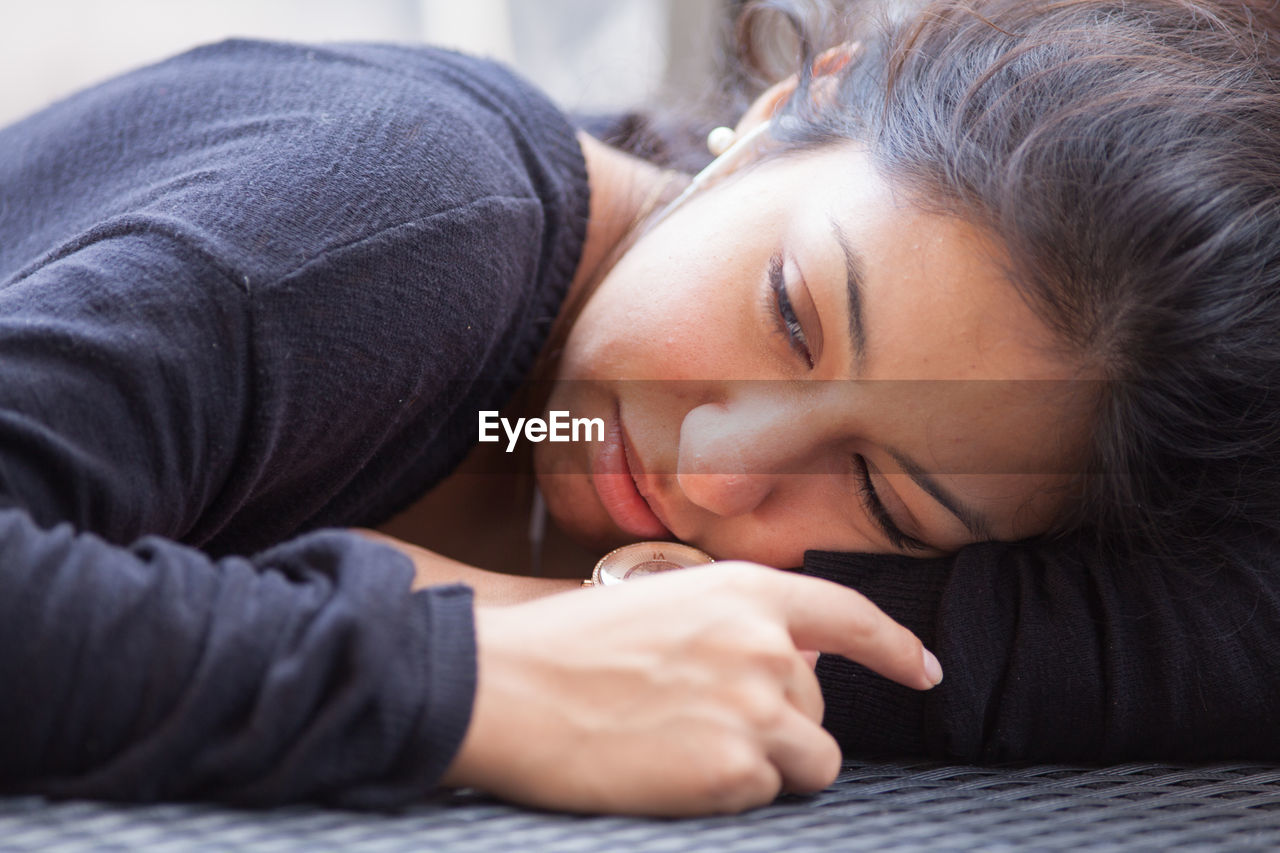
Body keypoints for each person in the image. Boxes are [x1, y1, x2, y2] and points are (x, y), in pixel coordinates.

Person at [2, 0, 1280, 816]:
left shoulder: (622, 484)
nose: (721, 467)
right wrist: (477, 674)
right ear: (785, 112)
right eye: (791, 314)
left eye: (883, 493)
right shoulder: (406, 216)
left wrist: (586, 610)